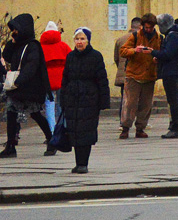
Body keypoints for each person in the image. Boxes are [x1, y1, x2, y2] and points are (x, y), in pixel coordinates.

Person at [58, 28, 110, 174]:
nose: (79, 42)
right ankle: (78, 163)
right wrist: (63, 99)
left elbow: (102, 80)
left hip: (89, 99)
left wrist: (103, 101)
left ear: (88, 40)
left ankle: (83, 163)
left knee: (85, 132)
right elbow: (65, 79)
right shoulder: (70, 57)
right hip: (72, 99)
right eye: (77, 39)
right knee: (74, 131)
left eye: (82, 39)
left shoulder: (95, 56)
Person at [2, 13, 51, 158]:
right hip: (19, 87)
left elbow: (32, 65)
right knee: (11, 112)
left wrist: (19, 81)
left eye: (16, 29)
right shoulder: (18, 45)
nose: (14, 32)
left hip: (30, 87)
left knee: (35, 113)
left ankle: (51, 139)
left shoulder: (33, 46)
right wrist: (11, 42)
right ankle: (11, 145)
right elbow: (7, 57)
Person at [118, 13, 161, 139]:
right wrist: (135, 50)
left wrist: (156, 58)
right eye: (146, 27)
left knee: (146, 104)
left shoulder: (158, 38)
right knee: (130, 103)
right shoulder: (135, 36)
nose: (148, 30)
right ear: (142, 26)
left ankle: (140, 128)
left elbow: (160, 52)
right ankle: (125, 128)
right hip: (133, 75)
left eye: (151, 28)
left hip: (149, 75)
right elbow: (123, 51)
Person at [150, 13, 178, 139]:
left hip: (172, 72)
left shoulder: (173, 36)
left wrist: (152, 52)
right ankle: (175, 127)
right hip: (172, 70)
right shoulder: (176, 34)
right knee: (173, 100)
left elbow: (168, 54)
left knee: (173, 100)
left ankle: (176, 128)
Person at [38, 21, 70, 156]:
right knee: (62, 106)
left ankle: (51, 130)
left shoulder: (40, 47)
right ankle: (62, 129)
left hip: (47, 81)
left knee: (49, 105)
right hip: (62, 79)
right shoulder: (63, 45)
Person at [113, 16, 141, 99]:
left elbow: (116, 58)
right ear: (141, 27)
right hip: (136, 77)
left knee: (124, 101)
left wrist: (121, 69)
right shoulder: (141, 39)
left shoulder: (120, 40)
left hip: (123, 76)